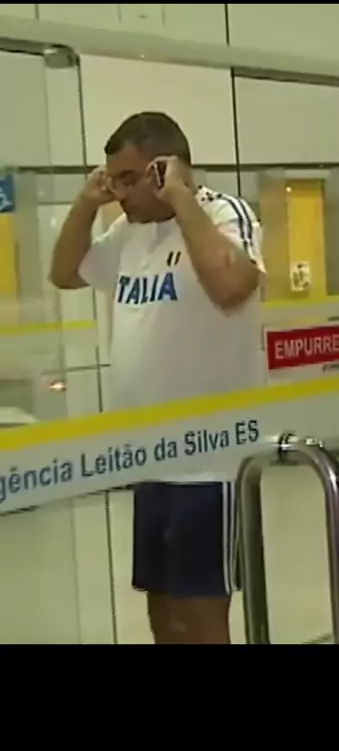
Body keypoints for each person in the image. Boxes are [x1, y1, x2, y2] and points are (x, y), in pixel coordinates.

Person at [50, 111, 265, 645]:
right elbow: (64, 272)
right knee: (164, 615)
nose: (119, 194)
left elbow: (232, 288)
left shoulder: (223, 214)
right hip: (149, 459)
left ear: (163, 168)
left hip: (208, 463)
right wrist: (85, 205)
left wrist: (182, 200)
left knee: (201, 617)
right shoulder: (128, 233)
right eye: (113, 180)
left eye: (128, 179)